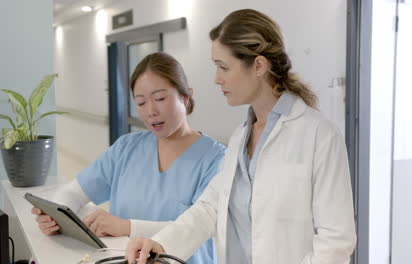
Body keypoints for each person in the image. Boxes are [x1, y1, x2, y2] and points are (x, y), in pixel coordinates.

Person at [125, 9, 356, 264]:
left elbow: (336, 241)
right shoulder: (240, 137)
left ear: (258, 65)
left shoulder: (319, 135)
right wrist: (161, 243)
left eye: (223, 67)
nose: (216, 79)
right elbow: (210, 207)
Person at [31, 52, 225, 264]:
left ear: (185, 97)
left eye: (160, 98)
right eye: (141, 103)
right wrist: (55, 217)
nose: (151, 111)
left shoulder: (215, 158)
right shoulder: (126, 148)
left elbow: (198, 227)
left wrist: (126, 226)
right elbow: (73, 192)